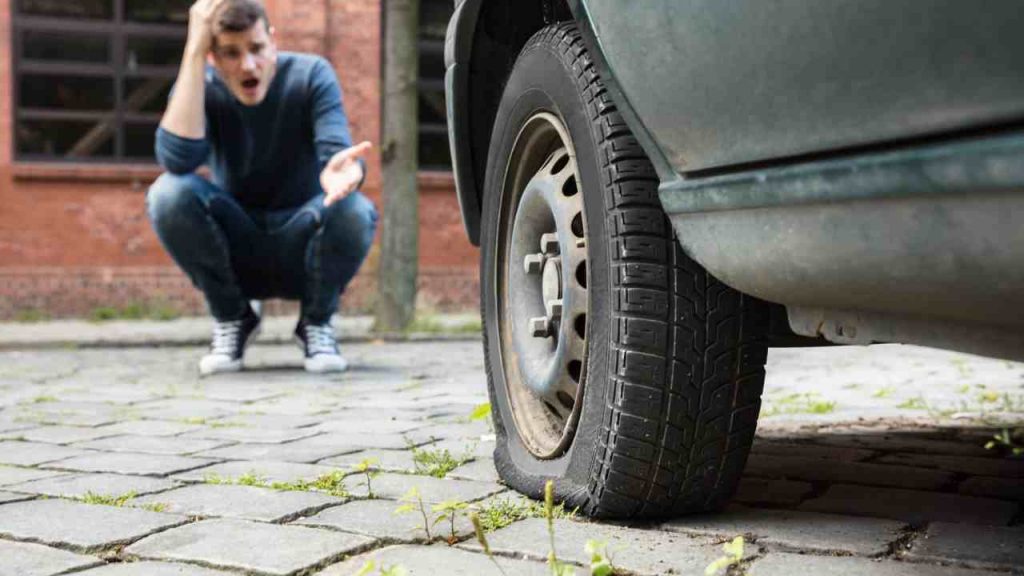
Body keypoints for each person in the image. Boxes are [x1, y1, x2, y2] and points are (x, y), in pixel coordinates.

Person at [147, 0, 376, 375]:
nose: (248, 65)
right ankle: (233, 318)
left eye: (256, 49)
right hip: (237, 245)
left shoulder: (310, 74)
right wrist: (193, 52)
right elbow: (177, 161)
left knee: (355, 209)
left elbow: (338, 154)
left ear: (272, 41)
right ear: (213, 58)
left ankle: (316, 323)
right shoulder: (201, 86)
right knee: (167, 194)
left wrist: (349, 171)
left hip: (301, 240)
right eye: (230, 53)